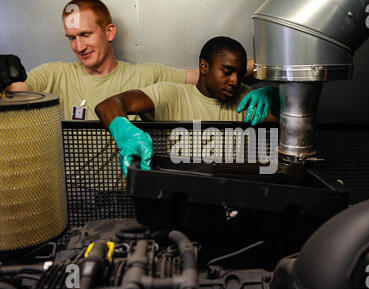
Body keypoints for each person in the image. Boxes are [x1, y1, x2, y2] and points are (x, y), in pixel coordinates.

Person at [0, 0, 256, 120]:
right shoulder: (54, 74)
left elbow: (207, 75)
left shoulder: (146, 75)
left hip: (127, 196)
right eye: (71, 37)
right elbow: (16, 91)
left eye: (86, 35)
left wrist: (269, 74)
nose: (79, 46)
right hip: (72, 197)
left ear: (109, 32)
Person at [95, 36, 279, 176]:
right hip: (183, 194)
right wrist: (127, 134)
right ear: (204, 67)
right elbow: (108, 105)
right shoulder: (171, 94)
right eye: (227, 72)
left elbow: (294, 123)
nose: (235, 81)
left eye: (239, 74)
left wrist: (276, 97)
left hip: (233, 197)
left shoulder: (247, 98)